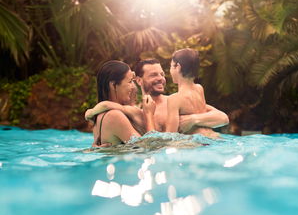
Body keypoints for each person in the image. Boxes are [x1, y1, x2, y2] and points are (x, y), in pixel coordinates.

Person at [86, 58, 228, 135]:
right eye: (154, 75)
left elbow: (222, 118)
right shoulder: (136, 112)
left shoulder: (175, 101)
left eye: (162, 74)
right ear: (139, 80)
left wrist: (193, 119)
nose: (160, 78)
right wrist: (91, 112)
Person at [89, 60, 156, 146]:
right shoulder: (113, 116)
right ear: (113, 85)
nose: (132, 87)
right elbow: (149, 148)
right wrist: (149, 115)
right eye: (130, 81)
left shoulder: (99, 116)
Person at [165, 48, 220, 138]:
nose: (170, 71)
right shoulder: (199, 89)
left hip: (196, 145)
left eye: (171, 66)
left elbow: (169, 136)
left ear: (178, 67)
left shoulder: (174, 99)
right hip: (213, 137)